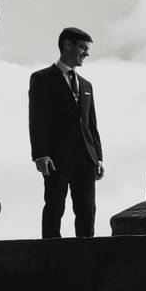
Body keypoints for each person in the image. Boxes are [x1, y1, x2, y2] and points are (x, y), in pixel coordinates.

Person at [29, 26, 104, 238]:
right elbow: (37, 119)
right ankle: (50, 259)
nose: (87, 53)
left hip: (86, 160)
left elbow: (91, 124)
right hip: (56, 158)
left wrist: (98, 157)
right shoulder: (41, 78)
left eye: (87, 49)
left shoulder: (87, 85)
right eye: (83, 47)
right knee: (54, 208)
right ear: (67, 45)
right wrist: (40, 155)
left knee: (87, 211)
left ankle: (86, 259)